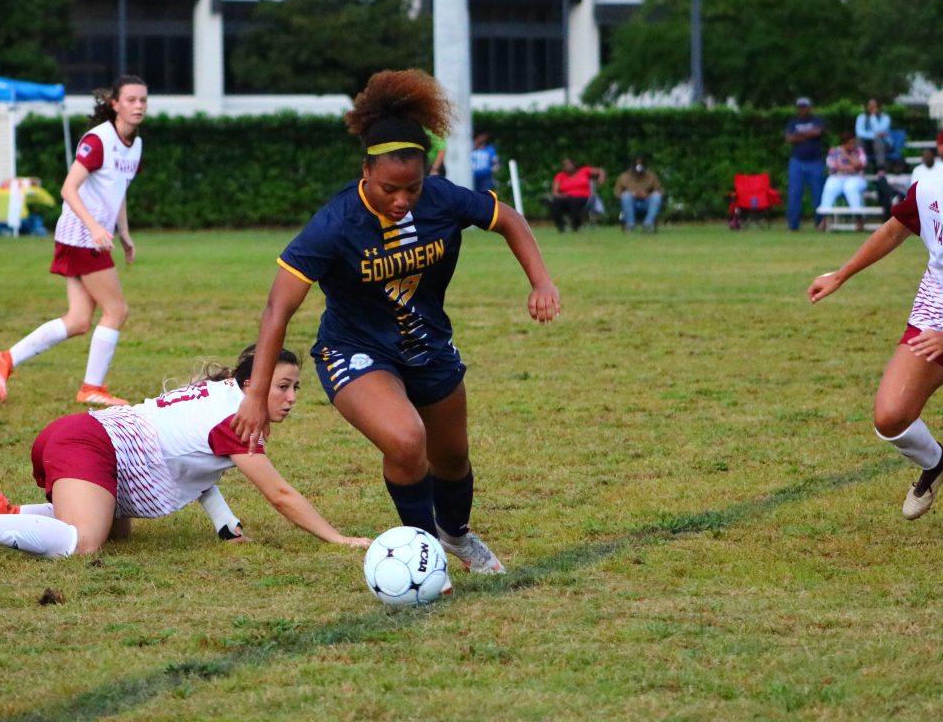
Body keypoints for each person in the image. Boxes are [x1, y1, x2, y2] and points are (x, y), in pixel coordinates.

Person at [230, 69, 561, 576]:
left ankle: (454, 533)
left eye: (412, 187)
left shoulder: (443, 198)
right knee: (407, 441)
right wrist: (255, 394)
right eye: (389, 188)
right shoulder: (336, 223)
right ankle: (424, 555)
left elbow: (509, 220)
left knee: (452, 459)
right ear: (366, 170)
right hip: (355, 351)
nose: (402, 199)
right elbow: (279, 308)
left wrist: (542, 281)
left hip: (427, 344)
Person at [0, 345, 371, 560]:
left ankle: (7, 514)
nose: (292, 397)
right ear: (250, 385)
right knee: (85, 544)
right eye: (283, 386)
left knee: (117, 535)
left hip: (86, 439)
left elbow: (196, 468)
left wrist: (227, 529)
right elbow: (281, 495)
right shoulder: (237, 419)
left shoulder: (222, 393)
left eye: (296, 387)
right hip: (88, 444)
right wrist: (338, 538)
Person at [806, 107, 943, 520]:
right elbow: (893, 230)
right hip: (941, 308)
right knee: (891, 417)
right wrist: (841, 274)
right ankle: (937, 462)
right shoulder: (928, 191)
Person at [0, 76, 147, 406]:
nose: (138, 106)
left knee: (78, 321)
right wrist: (96, 229)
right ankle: (92, 388)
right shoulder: (98, 140)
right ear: (114, 104)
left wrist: (123, 232)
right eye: (131, 100)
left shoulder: (136, 145)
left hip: (89, 238)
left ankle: (4, 359)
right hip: (81, 237)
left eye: (143, 100)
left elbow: (118, 191)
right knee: (116, 310)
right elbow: (68, 189)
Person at [785, 97, 827, 231]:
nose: (802, 109)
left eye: (805, 107)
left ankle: (820, 223)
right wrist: (809, 134)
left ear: (810, 107)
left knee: (818, 194)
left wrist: (799, 135)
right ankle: (793, 225)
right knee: (794, 193)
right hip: (797, 162)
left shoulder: (817, 120)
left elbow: (818, 131)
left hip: (816, 162)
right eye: (800, 107)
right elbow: (789, 138)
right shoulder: (793, 122)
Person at [816, 130, 868, 227]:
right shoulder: (834, 151)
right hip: (838, 177)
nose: (852, 145)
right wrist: (851, 168)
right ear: (844, 143)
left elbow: (860, 165)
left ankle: (859, 219)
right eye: (850, 143)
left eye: (853, 142)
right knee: (830, 186)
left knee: (850, 187)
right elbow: (833, 166)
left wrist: (848, 156)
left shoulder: (859, 151)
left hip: (856, 178)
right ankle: (824, 220)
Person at [550, 157, 606, 233]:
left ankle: (575, 225)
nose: (567, 166)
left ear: (574, 164)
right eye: (565, 165)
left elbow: (600, 171)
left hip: (583, 198)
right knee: (555, 203)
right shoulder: (560, 176)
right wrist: (561, 196)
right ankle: (560, 226)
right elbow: (555, 192)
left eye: (569, 164)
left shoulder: (584, 171)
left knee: (574, 202)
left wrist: (601, 178)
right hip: (565, 198)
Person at [614, 155, 665, 233]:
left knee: (656, 196)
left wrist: (647, 195)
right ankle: (630, 225)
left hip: (646, 202)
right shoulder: (624, 177)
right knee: (626, 196)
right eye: (637, 164)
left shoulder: (651, 176)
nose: (639, 167)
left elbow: (661, 191)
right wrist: (632, 194)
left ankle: (648, 224)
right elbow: (617, 193)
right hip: (631, 204)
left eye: (641, 164)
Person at [855, 97, 892, 170]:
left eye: (874, 106)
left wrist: (873, 117)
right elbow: (859, 133)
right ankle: (860, 165)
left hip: (884, 144)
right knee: (859, 140)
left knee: (878, 139)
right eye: (870, 105)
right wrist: (874, 135)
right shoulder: (861, 117)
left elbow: (879, 130)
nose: (872, 108)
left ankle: (881, 168)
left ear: (878, 107)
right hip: (868, 144)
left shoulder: (885, 118)